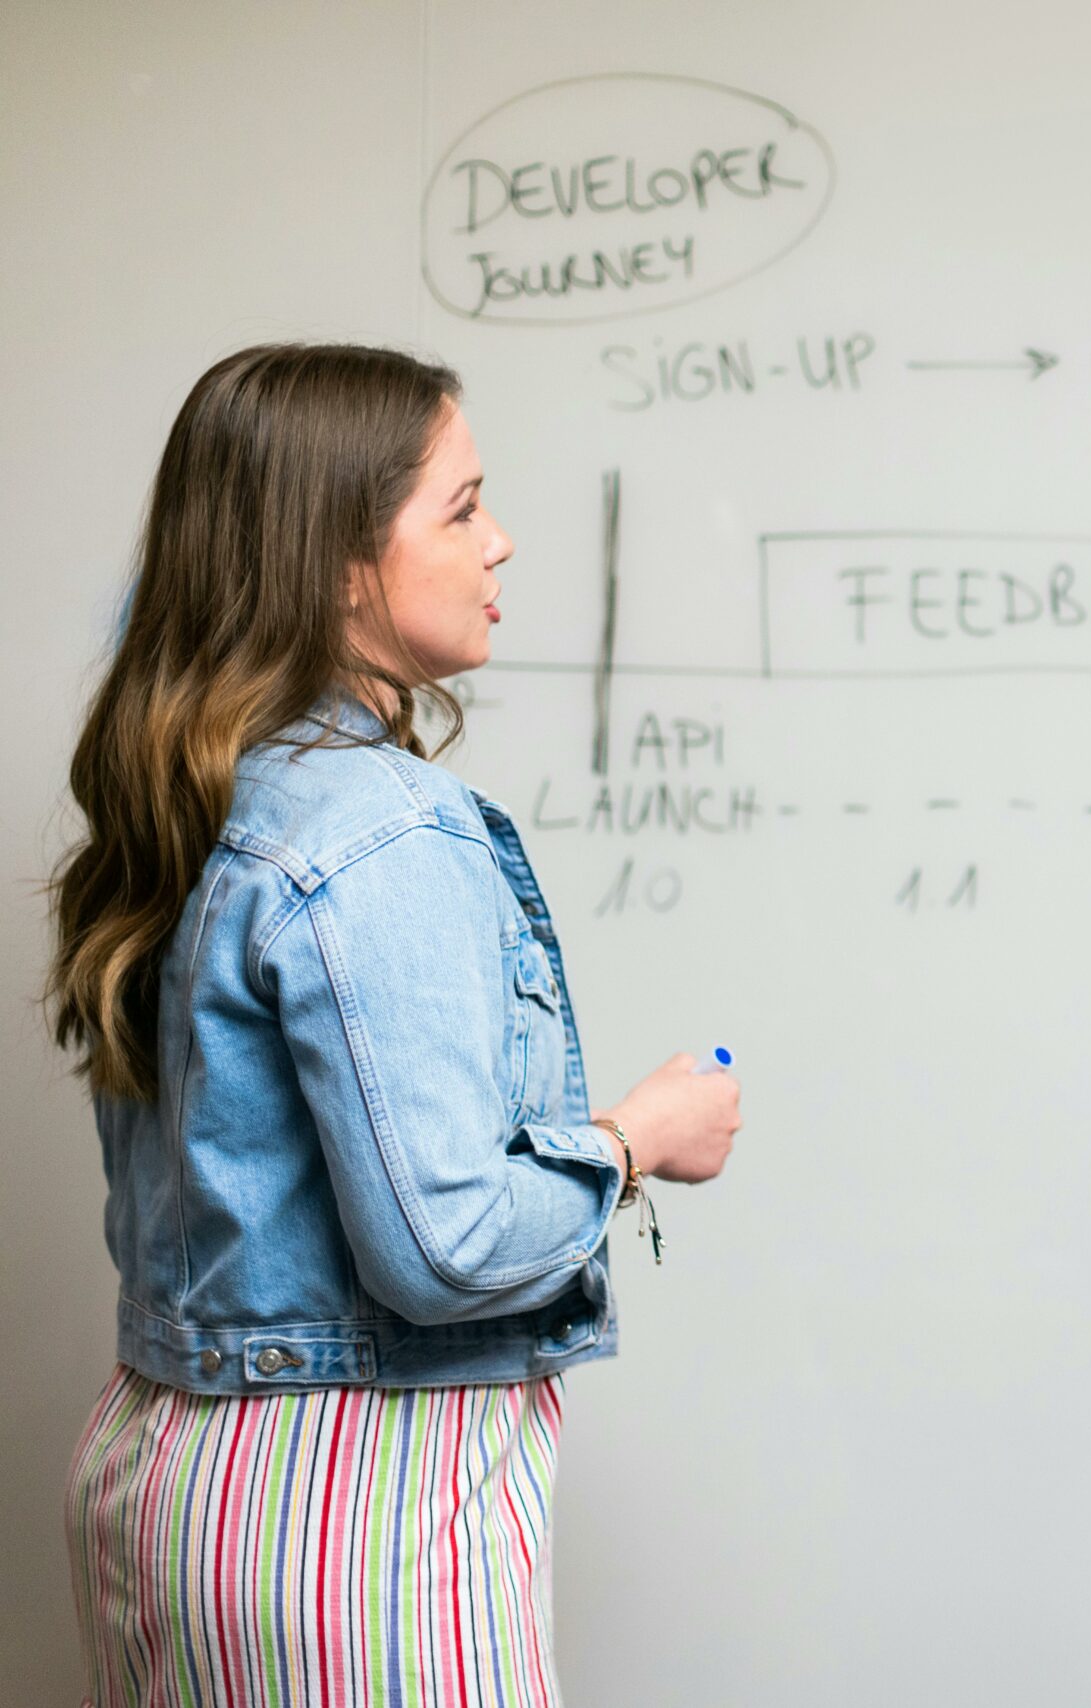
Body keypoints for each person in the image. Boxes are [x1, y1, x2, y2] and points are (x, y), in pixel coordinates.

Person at [45, 343, 742, 1704]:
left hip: (160, 1479)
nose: (503, 542)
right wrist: (637, 1139)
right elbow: (447, 1244)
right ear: (342, 563)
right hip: (351, 1513)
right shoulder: (382, 827)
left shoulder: (199, 792)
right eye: (462, 507)